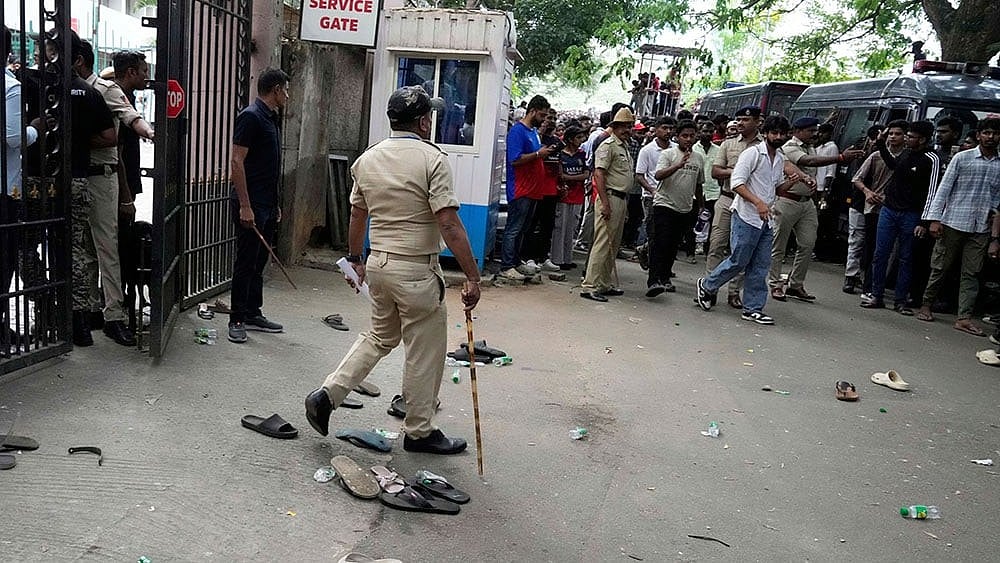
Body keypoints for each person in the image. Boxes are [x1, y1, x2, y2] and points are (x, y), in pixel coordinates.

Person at [304, 85, 481, 455]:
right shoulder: (432, 159)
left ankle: (327, 394)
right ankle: (419, 431)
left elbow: (357, 213)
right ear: (422, 121)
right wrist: (472, 275)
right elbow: (448, 223)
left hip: (379, 265)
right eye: (429, 115)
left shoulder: (368, 159)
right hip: (416, 270)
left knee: (379, 336)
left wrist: (355, 259)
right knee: (424, 350)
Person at [72, 41, 153, 347]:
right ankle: (93, 308)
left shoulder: (106, 91)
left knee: (107, 249)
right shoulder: (70, 91)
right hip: (78, 176)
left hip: (102, 178)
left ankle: (114, 316)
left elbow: (131, 116)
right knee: (86, 249)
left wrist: (150, 131)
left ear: (79, 62)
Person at [696, 116, 800, 325]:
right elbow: (737, 183)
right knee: (739, 260)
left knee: (761, 265)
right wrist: (758, 203)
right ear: (766, 133)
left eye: (782, 133)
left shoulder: (779, 158)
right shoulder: (752, 154)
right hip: (746, 216)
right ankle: (707, 285)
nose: (778, 137)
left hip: (765, 219)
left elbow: (776, 189)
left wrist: (791, 183)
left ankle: (753, 308)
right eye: (774, 133)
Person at [915, 118, 1000, 335]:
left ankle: (964, 317)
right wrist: (934, 219)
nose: (991, 137)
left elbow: (997, 201)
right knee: (940, 267)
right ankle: (926, 305)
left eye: (995, 134)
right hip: (952, 221)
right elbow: (943, 189)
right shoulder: (962, 158)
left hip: (980, 227)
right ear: (979, 135)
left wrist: (994, 235)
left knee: (972, 273)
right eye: (987, 133)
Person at [770, 117, 863, 302]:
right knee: (778, 245)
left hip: (806, 203)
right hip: (786, 200)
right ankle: (775, 283)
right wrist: (840, 158)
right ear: (797, 131)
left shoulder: (810, 146)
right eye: (810, 131)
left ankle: (795, 285)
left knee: (807, 243)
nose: (815, 134)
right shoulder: (789, 147)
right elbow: (809, 162)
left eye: (815, 131)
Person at [227, 68, 289, 343]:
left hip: (266, 202)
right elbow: (237, 161)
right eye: (285, 89)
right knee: (246, 260)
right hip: (250, 202)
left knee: (259, 260)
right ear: (276, 89)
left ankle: (253, 311)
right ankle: (237, 318)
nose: (287, 95)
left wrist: (275, 203)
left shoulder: (271, 118)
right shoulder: (250, 117)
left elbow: (270, 166)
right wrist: (245, 205)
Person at [860, 120, 940, 314]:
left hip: (912, 214)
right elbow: (894, 166)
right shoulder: (906, 153)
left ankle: (900, 300)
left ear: (922, 139)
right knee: (880, 254)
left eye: (911, 136)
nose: (907, 139)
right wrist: (880, 144)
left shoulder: (931, 159)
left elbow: (932, 192)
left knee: (906, 258)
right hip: (889, 210)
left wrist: (924, 221)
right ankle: (876, 295)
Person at [0, 26, 42, 347]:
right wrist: (35, 130)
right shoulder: (10, 87)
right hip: (4, 190)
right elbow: (13, 137)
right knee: (3, 262)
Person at [708, 105, 763, 309]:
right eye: (738, 119)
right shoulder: (728, 144)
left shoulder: (764, 147)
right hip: (727, 198)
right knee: (717, 244)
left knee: (741, 250)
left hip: (749, 203)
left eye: (746, 120)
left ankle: (734, 292)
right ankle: (709, 288)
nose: (740, 123)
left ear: (758, 122)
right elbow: (715, 171)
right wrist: (738, 172)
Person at [580, 107, 635, 302]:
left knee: (613, 243)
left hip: (620, 198)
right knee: (602, 243)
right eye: (625, 126)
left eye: (630, 126)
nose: (628, 130)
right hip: (609, 197)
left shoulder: (624, 146)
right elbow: (599, 174)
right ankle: (590, 285)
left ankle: (603, 283)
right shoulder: (608, 145)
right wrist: (604, 202)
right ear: (616, 126)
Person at [845, 120, 906, 295]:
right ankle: (852, 277)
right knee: (858, 242)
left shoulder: (907, 158)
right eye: (890, 134)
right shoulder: (875, 156)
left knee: (883, 249)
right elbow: (856, 178)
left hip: (891, 208)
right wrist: (868, 192)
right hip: (867, 205)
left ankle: (873, 285)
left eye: (898, 134)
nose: (893, 137)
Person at [646, 119, 703, 297]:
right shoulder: (668, 154)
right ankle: (653, 280)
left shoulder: (699, 158)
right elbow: (658, 175)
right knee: (660, 242)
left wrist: (700, 205)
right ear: (677, 137)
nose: (688, 139)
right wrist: (678, 165)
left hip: (685, 207)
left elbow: (699, 184)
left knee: (673, 245)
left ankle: (665, 277)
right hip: (665, 203)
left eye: (691, 136)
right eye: (684, 136)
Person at [499, 94, 551, 280]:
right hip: (521, 188)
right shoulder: (518, 131)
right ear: (533, 111)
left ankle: (515, 261)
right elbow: (515, 159)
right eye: (542, 115)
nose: (544, 119)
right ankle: (506, 265)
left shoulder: (532, 132)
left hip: (533, 189)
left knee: (523, 228)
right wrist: (538, 154)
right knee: (514, 228)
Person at [633, 116, 675, 267]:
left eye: (670, 128)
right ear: (656, 129)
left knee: (668, 232)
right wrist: (652, 190)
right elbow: (639, 175)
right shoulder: (647, 150)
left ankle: (649, 254)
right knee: (653, 229)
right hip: (652, 196)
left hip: (672, 195)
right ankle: (651, 258)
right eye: (664, 128)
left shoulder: (675, 148)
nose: (668, 131)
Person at [550, 125, 588, 269]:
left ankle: (567, 258)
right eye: (578, 137)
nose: (581, 140)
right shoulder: (561, 154)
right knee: (560, 227)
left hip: (577, 195)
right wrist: (575, 178)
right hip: (563, 195)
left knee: (571, 228)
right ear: (570, 139)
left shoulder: (581, 154)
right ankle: (557, 259)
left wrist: (570, 177)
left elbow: (586, 174)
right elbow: (561, 176)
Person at [693, 121, 721, 255]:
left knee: (711, 220)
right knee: (694, 220)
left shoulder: (718, 150)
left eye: (711, 132)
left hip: (713, 190)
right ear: (699, 133)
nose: (708, 134)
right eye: (705, 131)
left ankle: (707, 249)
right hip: (695, 190)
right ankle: (691, 249)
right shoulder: (693, 149)